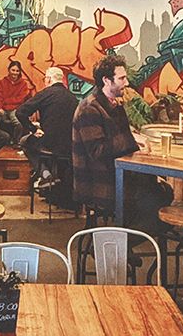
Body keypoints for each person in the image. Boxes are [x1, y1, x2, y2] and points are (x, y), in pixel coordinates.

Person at [72, 54, 172, 228]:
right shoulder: (89, 109)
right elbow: (98, 150)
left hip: (114, 173)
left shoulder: (111, 104)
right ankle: (126, 239)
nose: (126, 82)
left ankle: (130, 235)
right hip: (98, 183)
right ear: (106, 80)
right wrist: (133, 139)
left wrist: (135, 139)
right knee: (158, 196)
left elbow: (121, 137)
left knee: (162, 191)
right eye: (122, 78)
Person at [16, 67, 78, 188]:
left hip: (49, 142)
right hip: (69, 145)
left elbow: (20, 112)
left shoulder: (45, 94)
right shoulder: (72, 97)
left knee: (24, 142)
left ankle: (45, 175)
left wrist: (34, 129)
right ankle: (53, 177)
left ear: (49, 79)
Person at [0, 60, 31, 143]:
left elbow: (21, 99)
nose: (15, 73)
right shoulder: (2, 82)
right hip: (3, 109)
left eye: (17, 71)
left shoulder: (23, 84)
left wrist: (6, 101)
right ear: (9, 70)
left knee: (19, 123)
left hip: (15, 109)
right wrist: (0, 108)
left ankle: (16, 141)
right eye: (13, 70)